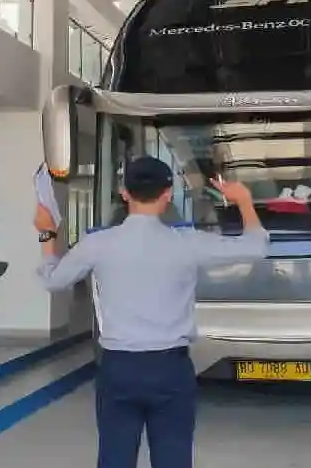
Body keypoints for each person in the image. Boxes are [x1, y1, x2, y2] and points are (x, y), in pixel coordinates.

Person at [35, 156, 270, 468]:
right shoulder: (188, 243)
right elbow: (256, 247)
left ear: (124, 193)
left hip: (118, 367)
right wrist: (244, 201)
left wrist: (47, 233)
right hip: (170, 368)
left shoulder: (97, 244)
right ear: (168, 193)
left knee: (114, 458)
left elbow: (53, 281)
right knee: (173, 458)